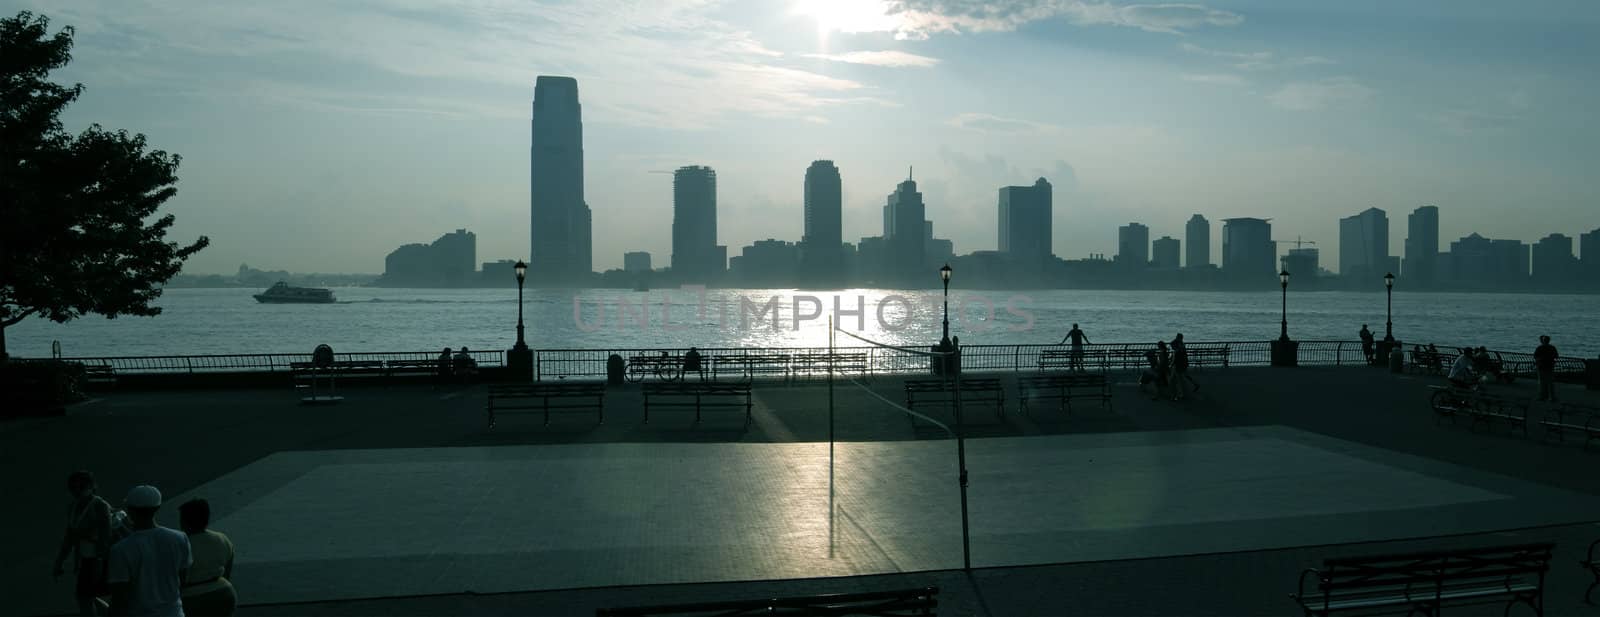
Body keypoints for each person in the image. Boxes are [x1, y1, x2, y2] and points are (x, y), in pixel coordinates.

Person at [107, 485, 192, 617]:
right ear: (157, 508)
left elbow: (120, 596)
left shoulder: (120, 549)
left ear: (130, 511)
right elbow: (183, 579)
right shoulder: (180, 538)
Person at [54, 471, 114, 616]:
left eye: (81, 487)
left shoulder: (100, 505)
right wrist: (59, 562)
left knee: (84, 597)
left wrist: (99, 562)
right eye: (72, 488)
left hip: (97, 559)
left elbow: (105, 537)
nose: (76, 491)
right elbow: (69, 537)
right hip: (84, 559)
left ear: (91, 486)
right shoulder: (73, 507)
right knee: (87, 596)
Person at [178, 499, 236, 617]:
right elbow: (227, 571)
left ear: (184, 521)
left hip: (192, 598)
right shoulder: (222, 538)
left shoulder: (180, 544)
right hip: (224, 593)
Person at [1534, 335, 1559, 402]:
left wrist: (1540, 360)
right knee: (1550, 382)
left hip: (1541, 367)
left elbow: (1535, 356)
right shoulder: (1552, 348)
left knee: (1542, 383)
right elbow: (1556, 356)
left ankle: (1542, 396)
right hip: (1550, 366)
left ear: (1542, 341)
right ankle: (1551, 397)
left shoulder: (1539, 348)